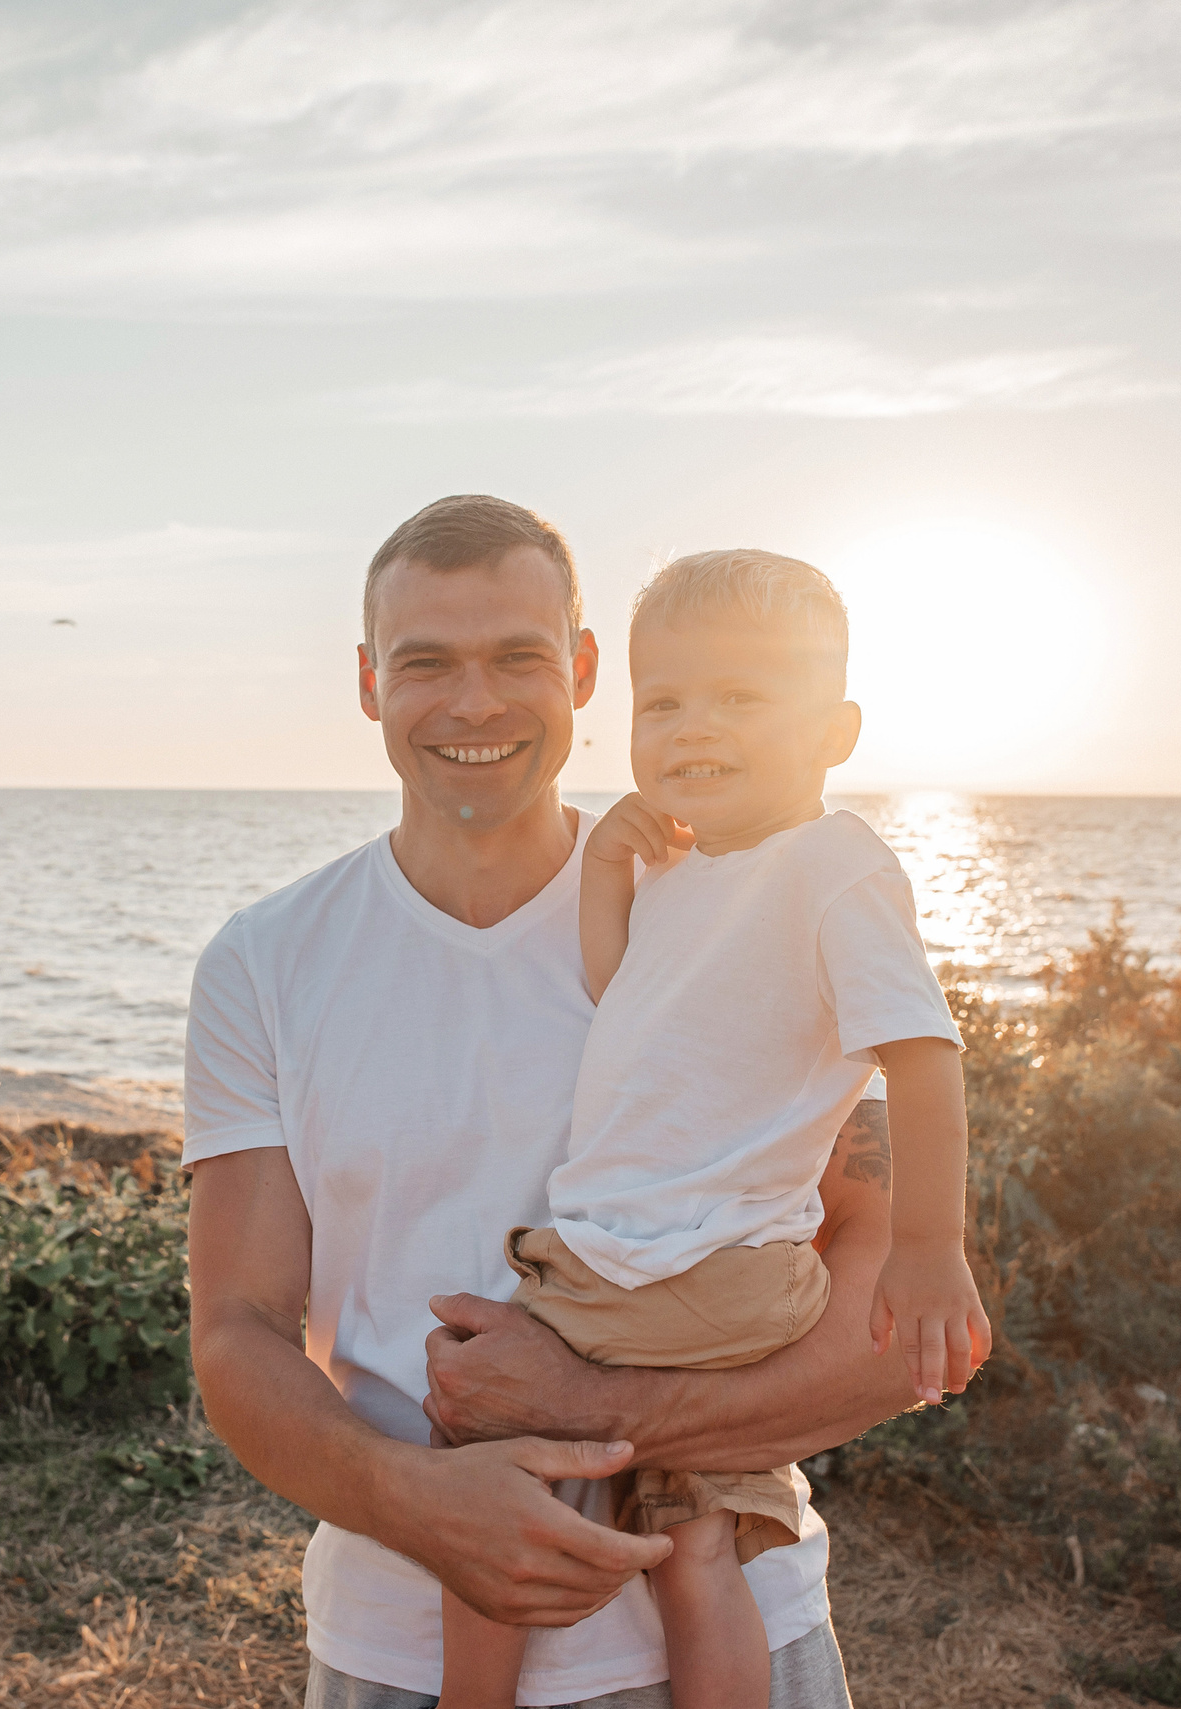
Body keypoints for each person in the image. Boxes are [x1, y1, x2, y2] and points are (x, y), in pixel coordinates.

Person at [185, 497, 943, 1709]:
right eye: (427, 660)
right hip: (399, 1648)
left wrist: (595, 1411)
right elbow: (236, 1333)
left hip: (738, 1624)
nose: (474, 702)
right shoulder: (265, 960)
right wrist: (418, 1500)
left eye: (519, 657)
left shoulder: (728, 912)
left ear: (583, 670)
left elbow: (897, 1341)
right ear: (370, 682)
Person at [436, 549, 986, 1709]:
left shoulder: (835, 864)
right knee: (697, 1545)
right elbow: (624, 999)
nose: (694, 726)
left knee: (479, 1453)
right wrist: (612, 872)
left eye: (741, 697)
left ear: (835, 730)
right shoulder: (696, 872)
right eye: (666, 700)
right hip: (693, 1267)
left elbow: (924, 1054)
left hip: (680, 1262)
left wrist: (932, 1247)